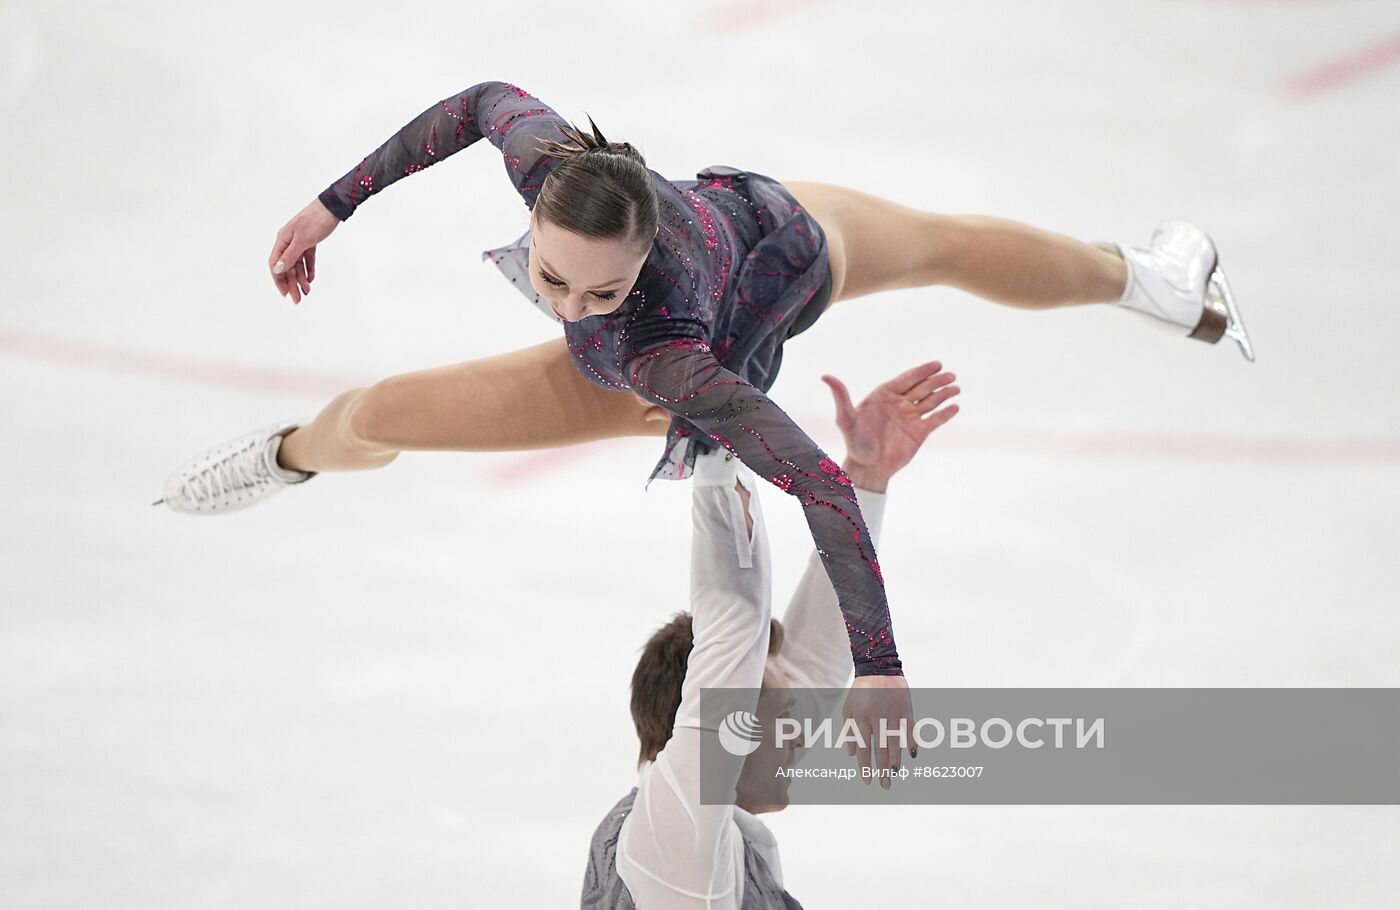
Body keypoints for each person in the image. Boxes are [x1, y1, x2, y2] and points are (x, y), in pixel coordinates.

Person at [157, 81, 1252, 750]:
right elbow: (476, 100)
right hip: (759, 221)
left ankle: (1158, 285)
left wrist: (877, 666)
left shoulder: (662, 353)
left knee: (950, 243)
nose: (571, 307)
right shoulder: (550, 160)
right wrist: (330, 203)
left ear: (641, 256)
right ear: (546, 201)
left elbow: (821, 485)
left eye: (600, 291)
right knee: (378, 410)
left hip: (781, 263)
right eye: (551, 282)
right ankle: (287, 456)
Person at [582, 357, 959, 909]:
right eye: (785, 717)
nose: (806, 731)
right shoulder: (675, 846)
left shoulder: (699, 833)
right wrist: (719, 439)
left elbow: (815, 662)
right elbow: (733, 628)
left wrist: (864, 479)